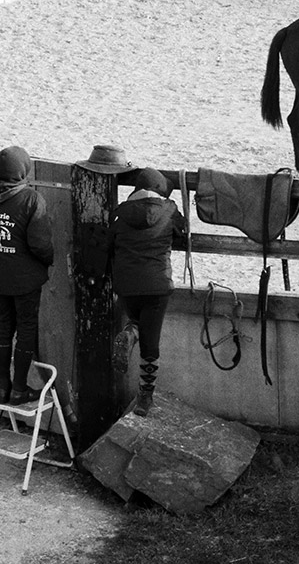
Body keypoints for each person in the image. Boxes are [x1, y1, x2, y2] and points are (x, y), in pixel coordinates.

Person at [0, 146, 55, 406]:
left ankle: (2, 389)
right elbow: (40, 245)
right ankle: (19, 389)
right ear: (23, 171)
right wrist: (47, 260)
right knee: (26, 330)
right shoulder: (31, 199)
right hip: (25, 279)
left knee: (4, 329)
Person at [108, 167, 187, 416]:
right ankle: (145, 398)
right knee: (151, 344)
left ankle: (130, 333)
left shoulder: (120, 214)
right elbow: (183, 230)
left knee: (136, 320)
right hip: (157, 285)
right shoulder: (170, 211)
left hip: (127, 286)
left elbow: (109, 246)